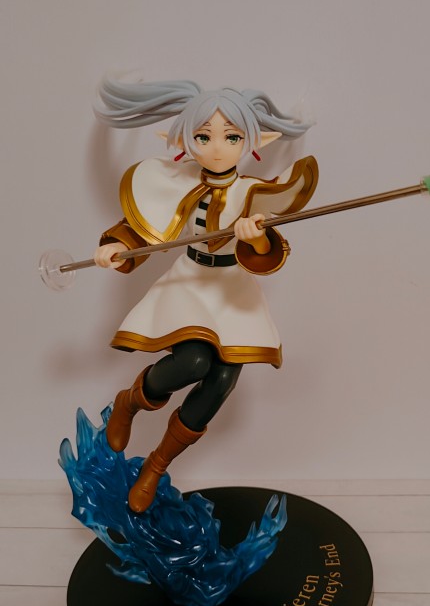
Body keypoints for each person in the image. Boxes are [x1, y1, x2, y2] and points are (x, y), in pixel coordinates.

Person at [93, 76, 318, 512]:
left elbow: (270, 252)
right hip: (191, 282)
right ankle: (130, 402)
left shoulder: (253, 191)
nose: (217, 148)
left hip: (232, 290)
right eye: (203, 136)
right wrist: (117, 246)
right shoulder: (174, 179)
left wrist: (254, 236)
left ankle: (156, 467)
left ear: (251, 141)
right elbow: (145, 225)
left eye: (231, 137)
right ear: (184, 140)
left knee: (221, 381)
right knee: (193, 361)